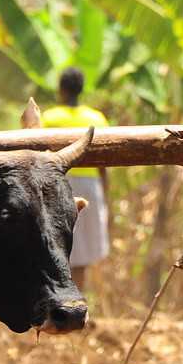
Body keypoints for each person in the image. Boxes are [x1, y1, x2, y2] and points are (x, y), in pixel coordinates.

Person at [41, 67, 110, 291]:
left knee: (58, 244)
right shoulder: (95, 118)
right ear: (81, 89)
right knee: (83, 251)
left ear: (61, 89)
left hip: (56, 184)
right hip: (90, 187)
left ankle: (61, 296)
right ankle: (78, 296)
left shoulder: (49, 118)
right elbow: (104, 163)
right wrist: (105, 195)